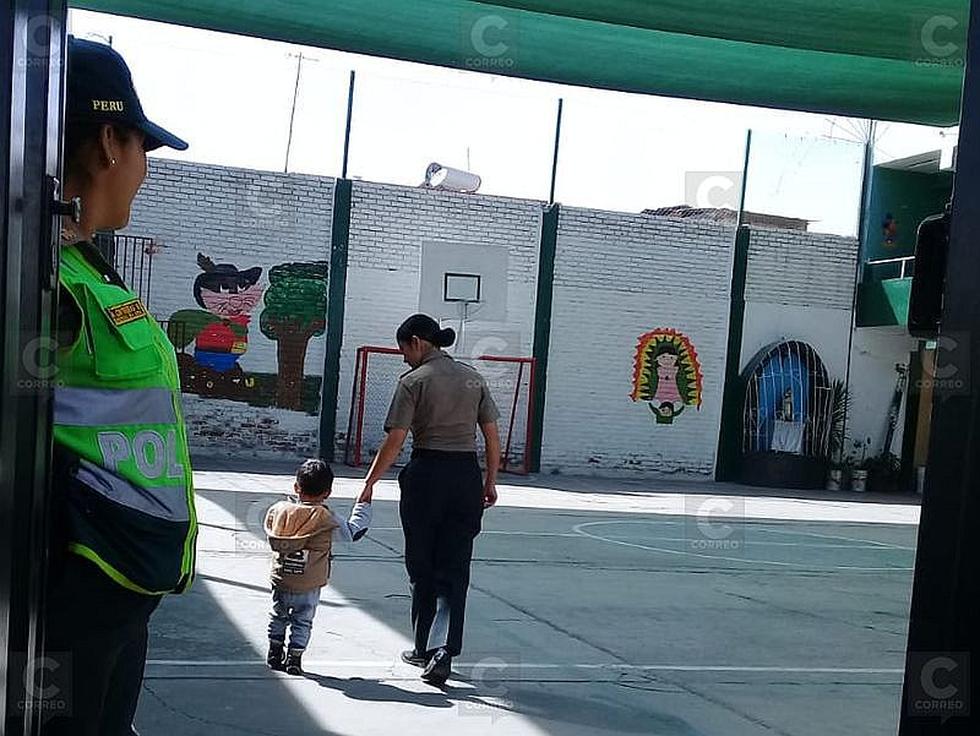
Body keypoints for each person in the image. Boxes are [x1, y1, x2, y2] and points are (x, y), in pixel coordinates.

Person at [43, 37, 195, 736]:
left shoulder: (89, 268)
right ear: (109, 142)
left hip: (124, 587)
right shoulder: (36, 277)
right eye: (143, 150)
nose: (143, 171)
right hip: (69, 598)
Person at [357, 313, 500, 686]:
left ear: (417, 342)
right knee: (455, 567)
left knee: (422, 563)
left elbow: (396, 440)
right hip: (466, 475)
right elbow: (492, 437)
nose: (403, 357)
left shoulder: (413, 382)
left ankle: (423, 646)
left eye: (404, 349)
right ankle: (445, 650)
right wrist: (489, 481)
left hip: (427, 475)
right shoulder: (474, 377)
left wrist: (370, 483)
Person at [264, 458, 372, 675]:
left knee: (278, 615)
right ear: (328, 493)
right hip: (310, 582)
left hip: (282, 579)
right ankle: (294, 658)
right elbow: (353, 532)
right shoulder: (326, 517)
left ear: (296, 487)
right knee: (303, 620)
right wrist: (363, 505)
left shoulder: (280, 511)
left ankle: (275, 652)